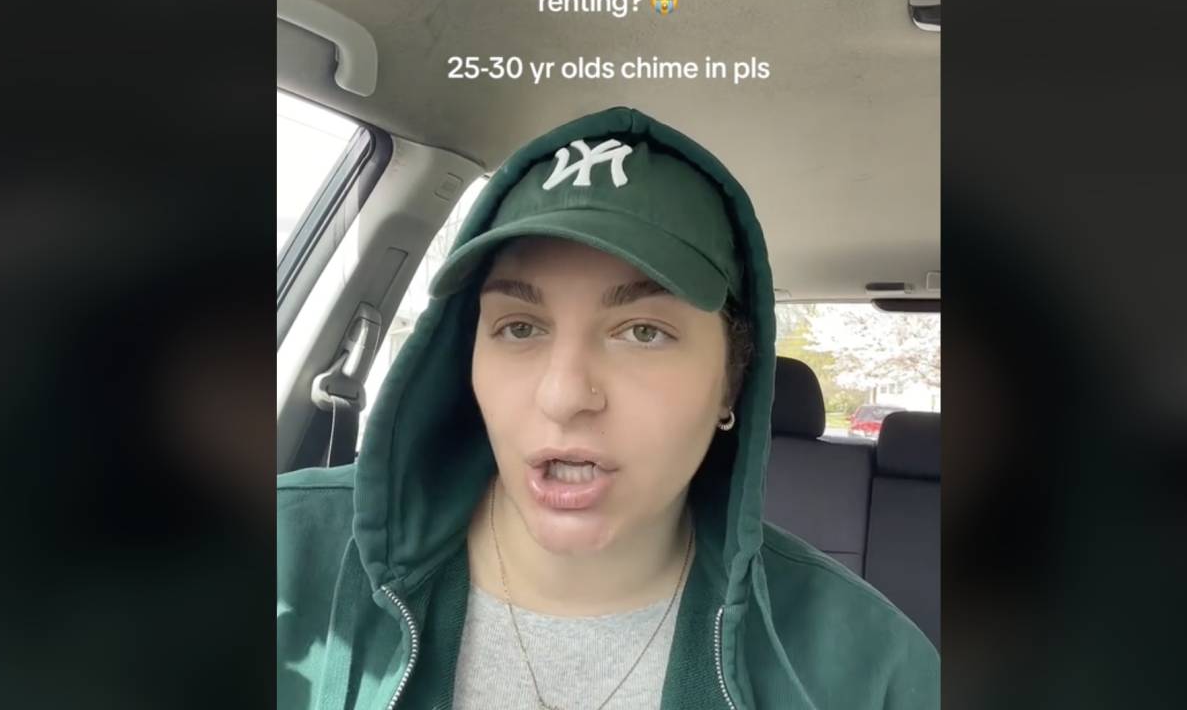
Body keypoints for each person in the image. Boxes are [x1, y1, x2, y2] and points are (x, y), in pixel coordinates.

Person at [278, 107, 939, 708]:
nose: (565, 395)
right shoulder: (283, 554)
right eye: (519, 327)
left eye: (644, 332)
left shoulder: (872, 672)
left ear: (731, 383)